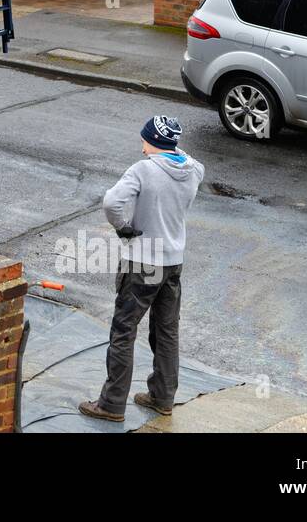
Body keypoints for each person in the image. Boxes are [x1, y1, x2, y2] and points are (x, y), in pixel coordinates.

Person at [79, 115, 205, 422]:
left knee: (124, 330)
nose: (141, 145)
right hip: (173, 261)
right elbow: (184, 157)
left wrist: (123, 228)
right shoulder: (194, 170)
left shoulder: (143, 171)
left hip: (143, 263)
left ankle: (111, 404)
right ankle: (162, 397)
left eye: (144, 140)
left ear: (153, 141)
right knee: (167, 331)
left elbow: (111, 203)